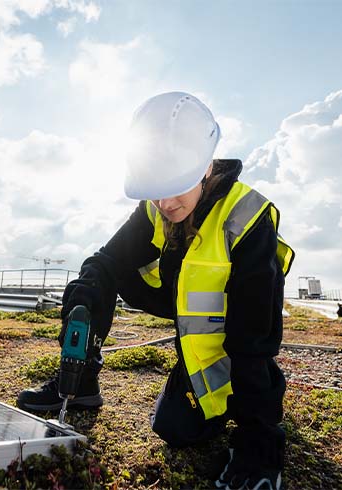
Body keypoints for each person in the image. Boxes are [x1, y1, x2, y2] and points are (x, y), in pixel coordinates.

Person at [17, 92, 294, 489]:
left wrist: (258, 444)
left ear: (206, 167)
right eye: (155, 189)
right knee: (174, 427)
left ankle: (258, 419)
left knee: (223, 406)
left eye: (174, 187)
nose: (164, 202)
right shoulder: (157, 206)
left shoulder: (248, 220)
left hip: (239, 348)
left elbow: (254, 340)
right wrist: (81, 307)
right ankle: (80, 385)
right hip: (185, 320)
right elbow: (104, 263)